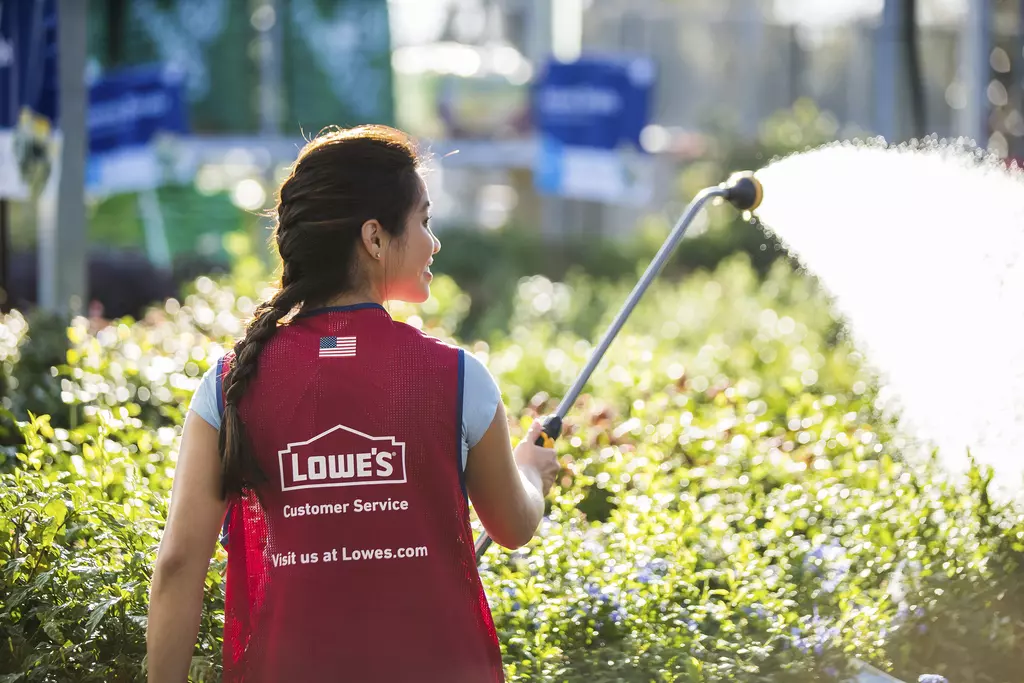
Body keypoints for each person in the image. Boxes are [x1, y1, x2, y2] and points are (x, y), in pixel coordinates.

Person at [146, 125, 561, 683]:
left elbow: (178, 564)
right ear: (374, 238)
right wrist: (532, 470)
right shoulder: (459, 377)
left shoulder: (228, 384)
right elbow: (512, 525)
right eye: (424, 221)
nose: (434, 243)